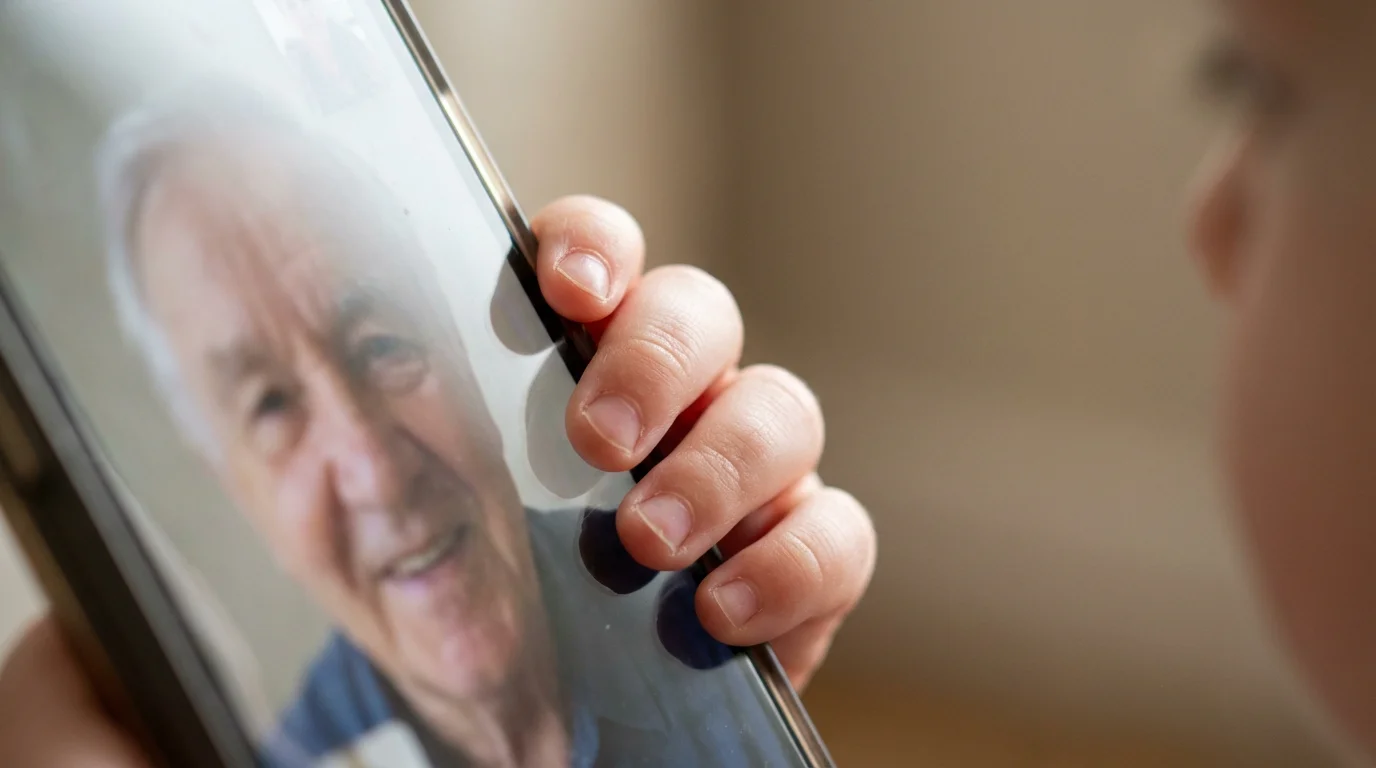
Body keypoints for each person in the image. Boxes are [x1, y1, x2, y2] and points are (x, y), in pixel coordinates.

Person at [62, 83, 840, 768]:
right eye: (271, 405)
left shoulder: (670, 604)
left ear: (458, 344)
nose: (375, 467)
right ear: (232, 487)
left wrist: (766, 643)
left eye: (382, 344)